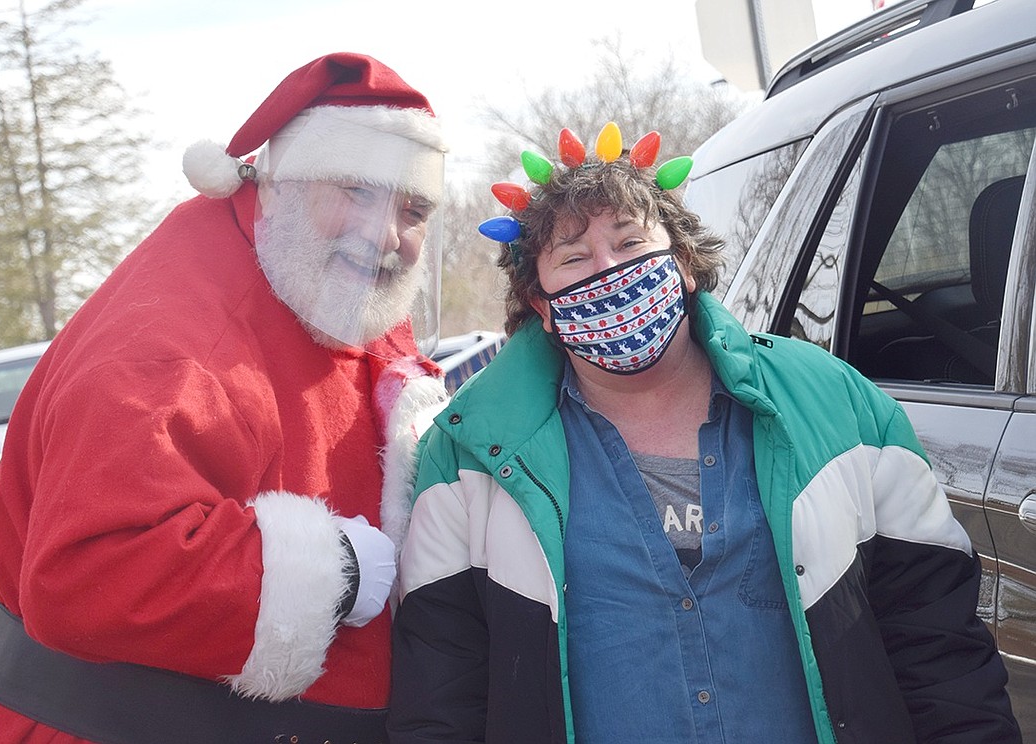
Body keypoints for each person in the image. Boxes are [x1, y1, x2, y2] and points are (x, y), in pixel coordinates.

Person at [387, 122, 1020, 743]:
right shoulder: (467, 454)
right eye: (574, 257)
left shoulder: (835, 401)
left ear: (683, 264)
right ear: (544, 308)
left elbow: (937, 642)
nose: (608, 270)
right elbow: (441, 692)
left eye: (631, 244)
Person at [0, 52, 449, 744]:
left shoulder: (333, 297)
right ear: (281, 186)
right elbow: (88, 569)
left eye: (411, 210)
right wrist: (340, 573)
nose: (385, 234)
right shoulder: (176, 334)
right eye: (356, 189)